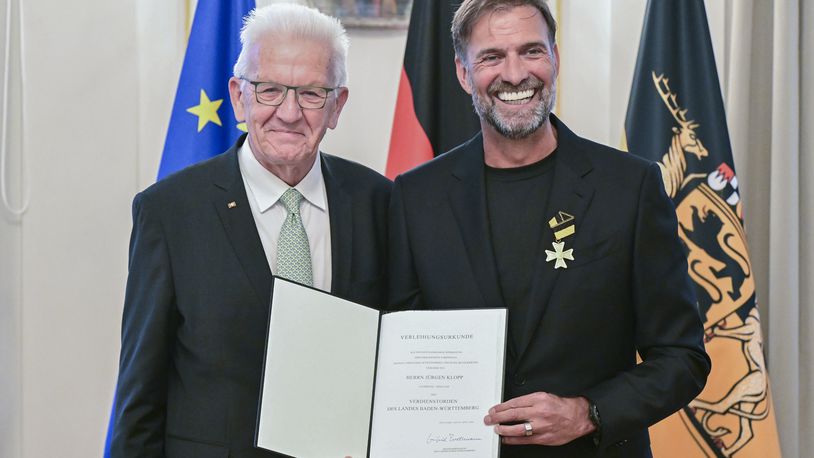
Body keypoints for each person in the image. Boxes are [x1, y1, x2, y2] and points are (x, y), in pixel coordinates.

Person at [387, 1, 711, 456]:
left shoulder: (630, 187)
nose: (516, 74)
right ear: (463, 74)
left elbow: (683, 357)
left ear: (555, 59)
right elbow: (399, 350)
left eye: (531, 51)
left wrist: (588, 412)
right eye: (491, 57)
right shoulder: (415, 197)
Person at [111, 4, 390, 457]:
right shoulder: (169, 212)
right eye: (270, 90)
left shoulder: (379, 202)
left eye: (313, 93)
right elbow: (140, 395)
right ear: (239, 97)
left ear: (337, 105)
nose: (289, 112)